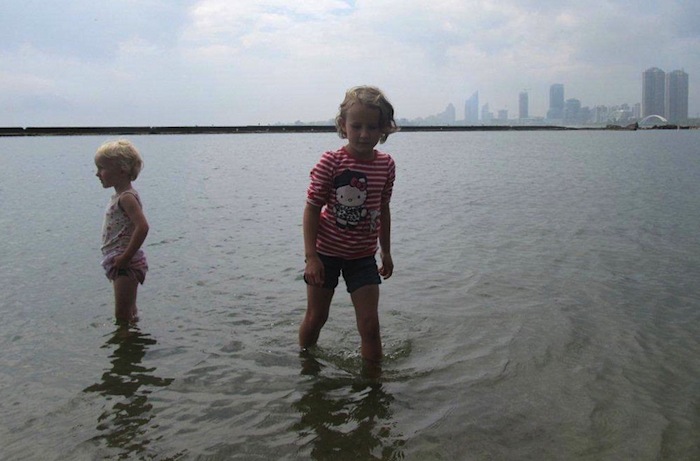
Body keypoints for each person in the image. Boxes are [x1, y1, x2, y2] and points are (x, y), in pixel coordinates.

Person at [300, 85, 399, 366]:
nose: (364, 134)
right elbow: (311, 209)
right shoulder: (331, 161)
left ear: (384, 129)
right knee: (316, 317)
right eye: (357, 126)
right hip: (325, 255)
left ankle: (374, 388)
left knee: (370, 325)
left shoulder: (386, 165)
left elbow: (382, 207)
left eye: (372, 126)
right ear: (343, 126)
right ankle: (306, 366)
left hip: (362, 257)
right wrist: (311, 257)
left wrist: (386, 251)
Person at [95, 140, 149, 323]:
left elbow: (143, 227)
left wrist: (125, 258)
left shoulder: (126, 197)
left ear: (122, 170)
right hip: (120, 259)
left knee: (122, 315)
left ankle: (126, 348)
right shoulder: (120, 196)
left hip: (125, 262)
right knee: (129, 311)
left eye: (101, 168)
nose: (97, 174)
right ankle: (132, 342)